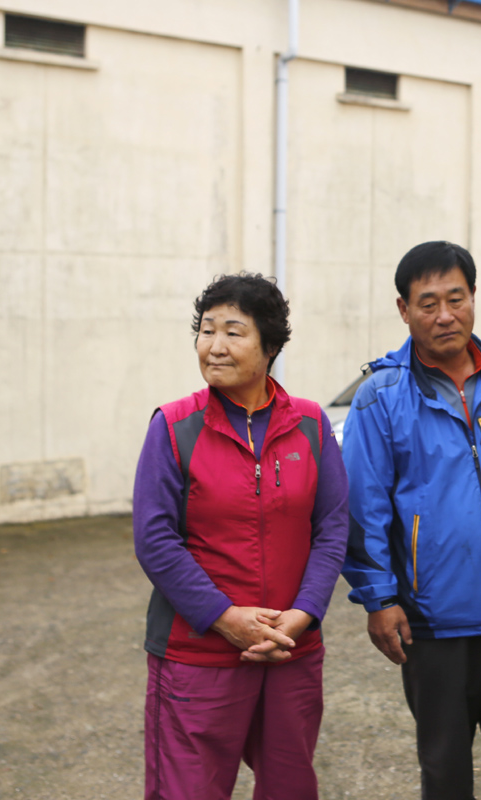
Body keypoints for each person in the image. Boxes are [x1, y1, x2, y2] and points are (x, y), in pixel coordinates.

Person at [341, 241, 481, 800]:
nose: (445, 315)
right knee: (445, 776)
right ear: (403, 310)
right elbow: (361, 512)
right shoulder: (381, 399)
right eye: (428, 303)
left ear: (473, 296)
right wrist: (379, 599)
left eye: (456, 298)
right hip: (433, 625)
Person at [133, 273, 348, 800]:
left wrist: (302, 616)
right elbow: (155, 539)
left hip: (289, 651)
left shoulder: (312, 426)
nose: (215, 346)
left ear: (270, 346)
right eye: (206, 331)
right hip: (197, 655)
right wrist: (225, 619)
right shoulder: (173, 427)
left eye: (234, 331)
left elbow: (333, 526)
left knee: (290, 787)